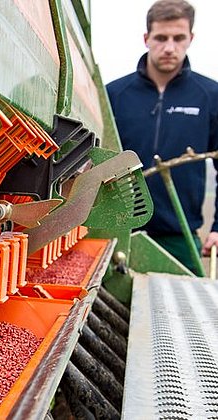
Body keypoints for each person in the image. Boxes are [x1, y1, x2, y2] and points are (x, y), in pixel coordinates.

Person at [106, 0, 218, 275]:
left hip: (179, 236)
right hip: (118, 233)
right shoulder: (114, 95)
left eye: (179, 38)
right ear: (146, 38)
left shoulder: (210, 96)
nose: (169, 47)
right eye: (161, 38)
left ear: (190, 38)